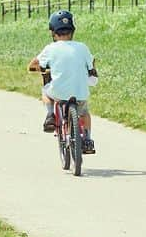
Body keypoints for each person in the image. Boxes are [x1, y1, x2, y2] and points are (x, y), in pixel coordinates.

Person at [28, 9, 98, 154]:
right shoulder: (83, 47)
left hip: (58, 92)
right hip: (80, 92)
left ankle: (50, 115)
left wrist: (37, 68)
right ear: (72, 30)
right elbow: (91, 65)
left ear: (53, 32)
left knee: (46, 92)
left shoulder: (50, 48)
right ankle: (87, 139)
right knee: (84, 112)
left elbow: (34, 64)